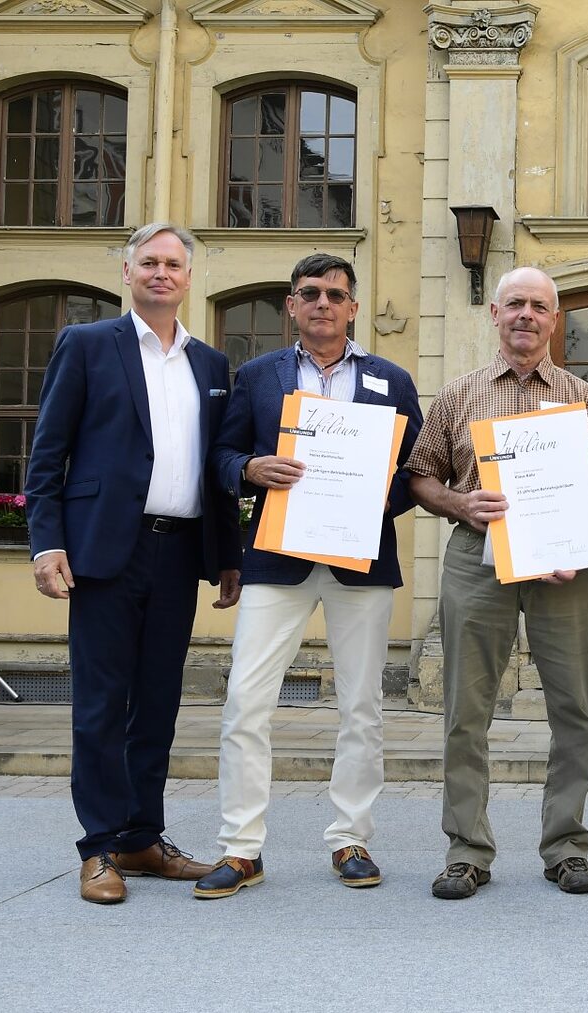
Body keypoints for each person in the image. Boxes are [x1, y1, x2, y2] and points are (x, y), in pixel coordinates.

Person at [192, 254, 422, 899]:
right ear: (291, 305)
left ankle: (351, 837)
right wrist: (249, 470)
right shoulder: (259, 377)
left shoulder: (390, 378)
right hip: (276, 557)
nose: (323, 303)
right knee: (247, 701)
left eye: (336, 294)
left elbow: (417, 467)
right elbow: (220, 455)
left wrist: (386, 497)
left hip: (361, 561)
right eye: (310, 293)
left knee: (362, 707)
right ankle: (241, 849)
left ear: (353, 307)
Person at [25, 222, 242, 904]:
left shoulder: (210, 364)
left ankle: (143, 837)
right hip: (103, 553)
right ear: (127, 272)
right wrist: (45, 539)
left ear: (187, 277)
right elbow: (46, 453)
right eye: (148, 261)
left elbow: (214, 471)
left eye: (173, 264)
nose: (160, 273)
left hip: (178, 553)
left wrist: (226, 556)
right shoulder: (88, 345)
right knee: (98, 705)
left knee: (157, 703)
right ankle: (98, 848)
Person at [408, 266, 588, 899]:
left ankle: (566, 847)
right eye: (515, 305)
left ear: (556, 320)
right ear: (494, 315)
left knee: (573, 708)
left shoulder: (585, 398)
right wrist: (459, 506)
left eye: (540, 307)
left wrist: (580, 526)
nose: (527, 315)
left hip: (567, 567)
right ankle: (467, 850)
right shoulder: (457, 394)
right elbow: (419, 475)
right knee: (465, 711)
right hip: (478, 557)